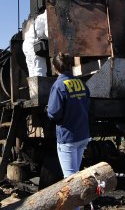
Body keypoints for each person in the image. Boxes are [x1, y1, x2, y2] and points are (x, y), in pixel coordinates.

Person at [47, 52, 91, 182]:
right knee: (76, 175)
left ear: (55, 68)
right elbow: (87, 105)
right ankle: (80, 202)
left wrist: (48, 111)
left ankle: (76, 203)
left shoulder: (59, 85)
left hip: (68, 137)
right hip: (82, 134)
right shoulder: (81, 83)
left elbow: (54, 113)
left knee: (70, 179)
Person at [22, 9, 48, 77]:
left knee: (31, 70)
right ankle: (41, 87)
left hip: (26, 45)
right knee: (39, 69)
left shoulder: (32, 20)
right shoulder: (45, 16)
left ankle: (33, 86)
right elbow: (48, 33)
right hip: (34, 45)